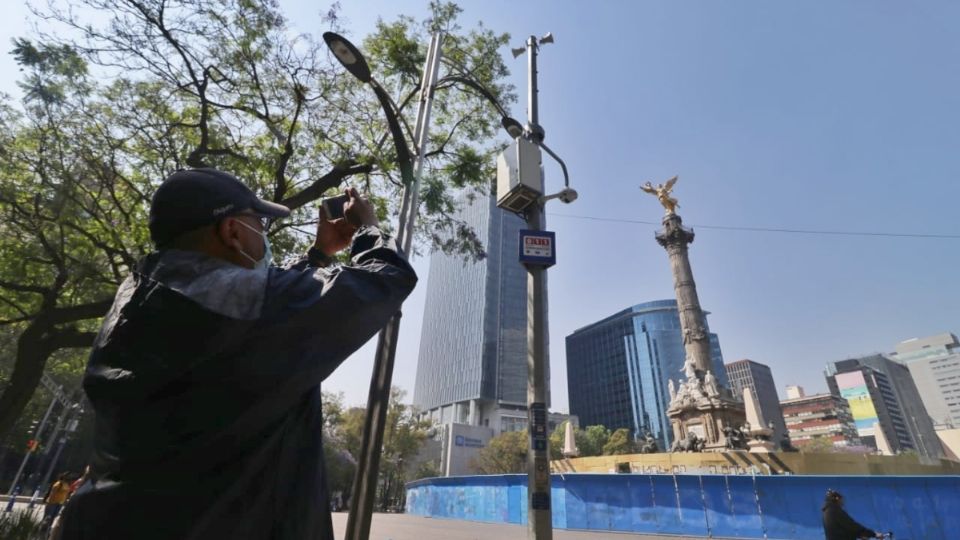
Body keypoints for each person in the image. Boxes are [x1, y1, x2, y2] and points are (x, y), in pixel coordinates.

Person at [58, 169, 417, 540]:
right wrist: (369, 228)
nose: (262, 233)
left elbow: (254, 311)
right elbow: (386, 279)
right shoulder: (252, 308)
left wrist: (318, 255)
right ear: (231, 231)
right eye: (258, 222)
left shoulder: (137, 299)